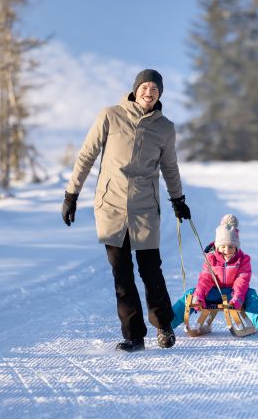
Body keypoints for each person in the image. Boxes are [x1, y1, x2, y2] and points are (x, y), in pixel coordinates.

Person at [62, 69, 191, 352]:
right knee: (122, 273)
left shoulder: (165, 128)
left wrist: (178, 199)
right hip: (111, 206)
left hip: (145, 206)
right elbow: (87, 155)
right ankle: (134, 336)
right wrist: (72, 194)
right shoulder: (110, 115)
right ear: (135, 90)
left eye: (155, 89)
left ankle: (164, 325)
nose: (149, 92)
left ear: (159, 94)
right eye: (145, 87)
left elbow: (169, 166)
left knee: (150, 270)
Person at [171, 214, 258, 335]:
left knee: (251, 295)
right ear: (217, 246)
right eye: (223, 246)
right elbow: (205, 279)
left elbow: (241, 281)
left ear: (236, 246)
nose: (226, 250)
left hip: (232, 294)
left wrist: (237, 298)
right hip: (213, 293)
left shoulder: (243, 260)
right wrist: (199, 296)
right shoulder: (210, 259)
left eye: (231, 246)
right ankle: (168, 321)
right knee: (190, 293)